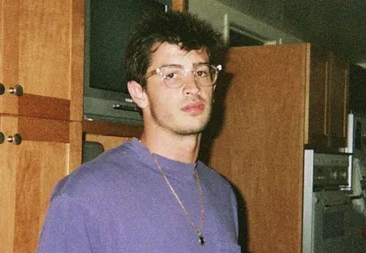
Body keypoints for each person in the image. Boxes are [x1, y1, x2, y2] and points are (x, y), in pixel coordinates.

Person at [36, 11, 241, 253]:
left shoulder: (222, 192)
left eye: (201, 72)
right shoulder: (86, 194)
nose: (192, 87)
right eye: (172, 75)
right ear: (138, 93)